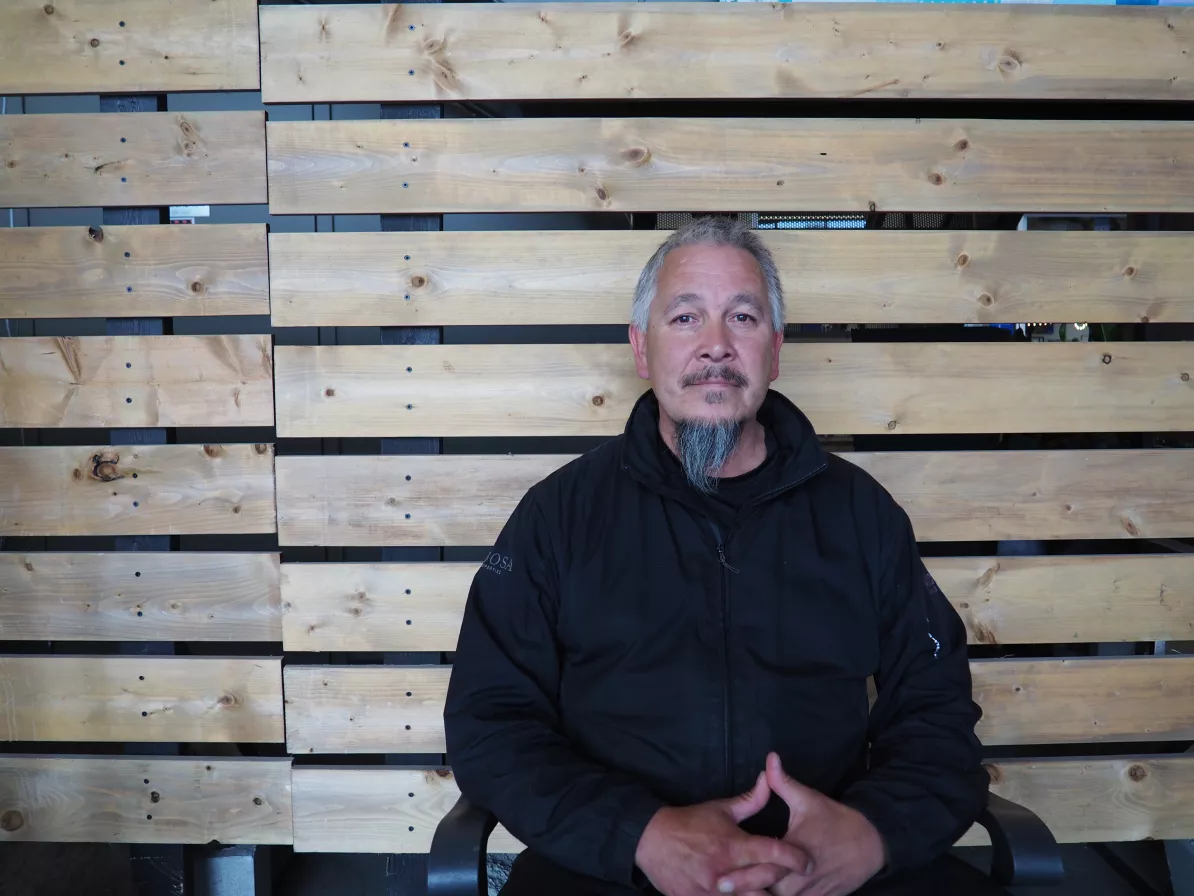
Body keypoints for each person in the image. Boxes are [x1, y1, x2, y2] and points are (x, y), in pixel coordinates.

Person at [444, 216, 1002, 896]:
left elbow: (937, 714)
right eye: (685, 318)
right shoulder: (559, 517)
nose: (715, 346)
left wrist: (872, 832)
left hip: (824, 871)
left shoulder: (862, 515)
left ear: (774, 351)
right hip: (616, 869)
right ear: (641, 351)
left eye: (742, 317)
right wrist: (639, 835)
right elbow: (490, 724)